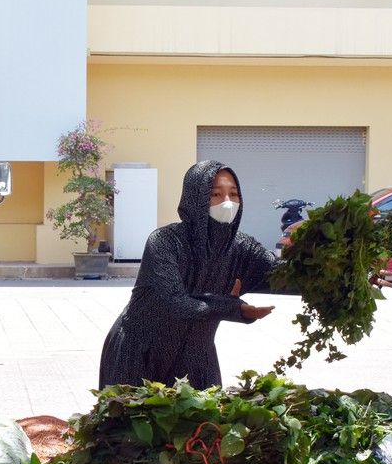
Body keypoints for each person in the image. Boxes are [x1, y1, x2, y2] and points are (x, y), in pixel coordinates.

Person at [99, 160, 275, 389]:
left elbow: (279, 272)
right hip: (140, 355)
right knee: (134, 423)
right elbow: (178, 303)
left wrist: (320, 255)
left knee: (204, 423)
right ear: (196, 197)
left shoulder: (240, 247)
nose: (227, 203)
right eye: (215, 195)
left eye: (234, 194)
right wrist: (232, 307)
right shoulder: (164, 241)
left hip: (197, 355)